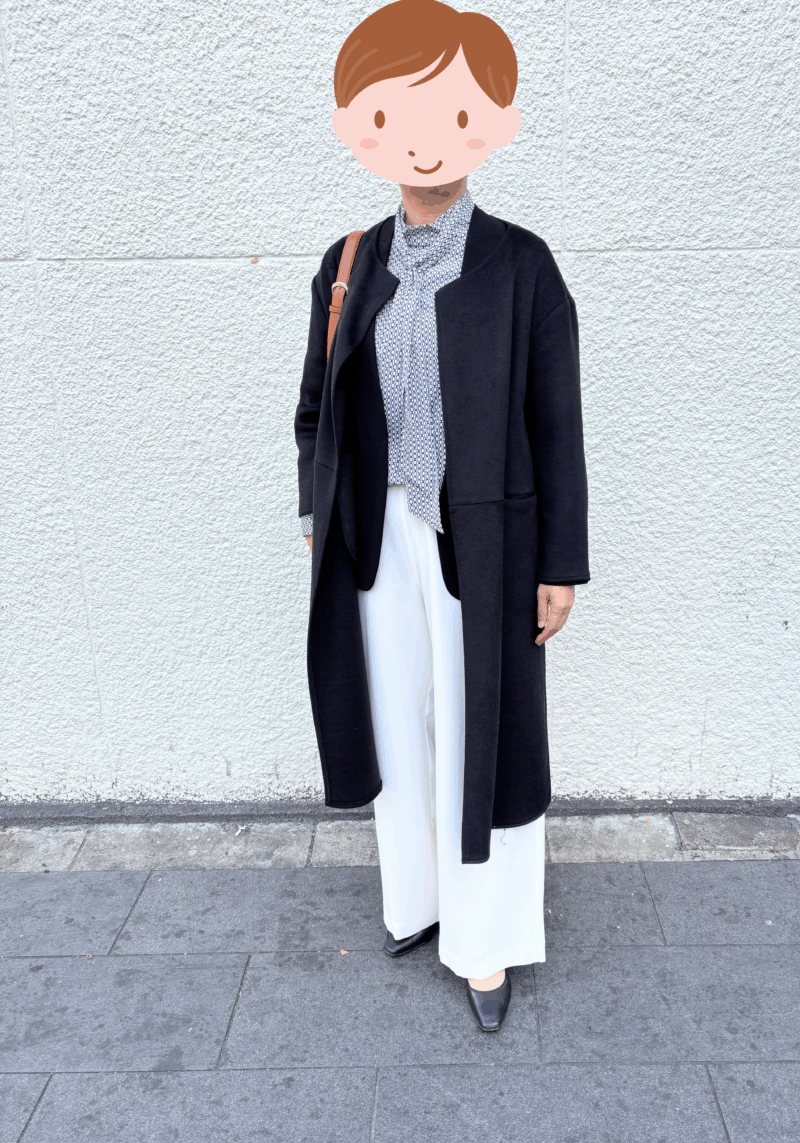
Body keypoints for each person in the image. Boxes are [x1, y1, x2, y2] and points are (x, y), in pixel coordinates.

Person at [295, 0, 589, 1032]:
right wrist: (316, 513)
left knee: (483, 732)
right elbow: (316, 409)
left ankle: (487, 944)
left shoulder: (523, 265)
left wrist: (560, 564)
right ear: (361, 123)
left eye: (452, 112)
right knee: (394, 721)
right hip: (373, 541)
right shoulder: (347, 263)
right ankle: (417, 901)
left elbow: (557, 424)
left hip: (487, 541)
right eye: (396, 112)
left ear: (490, 124)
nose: (424, 138)